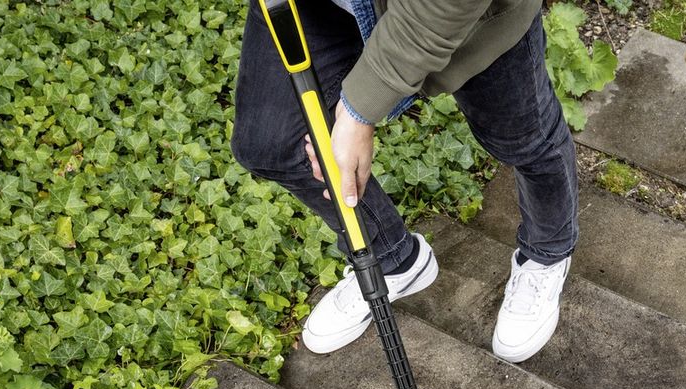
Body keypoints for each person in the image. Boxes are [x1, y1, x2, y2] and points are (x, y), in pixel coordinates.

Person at [232, 0, 579, 363]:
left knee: (525, 140)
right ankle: (393, 260)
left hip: (468, 18)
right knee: (270, 143)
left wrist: (358, 111)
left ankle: (548, 251)